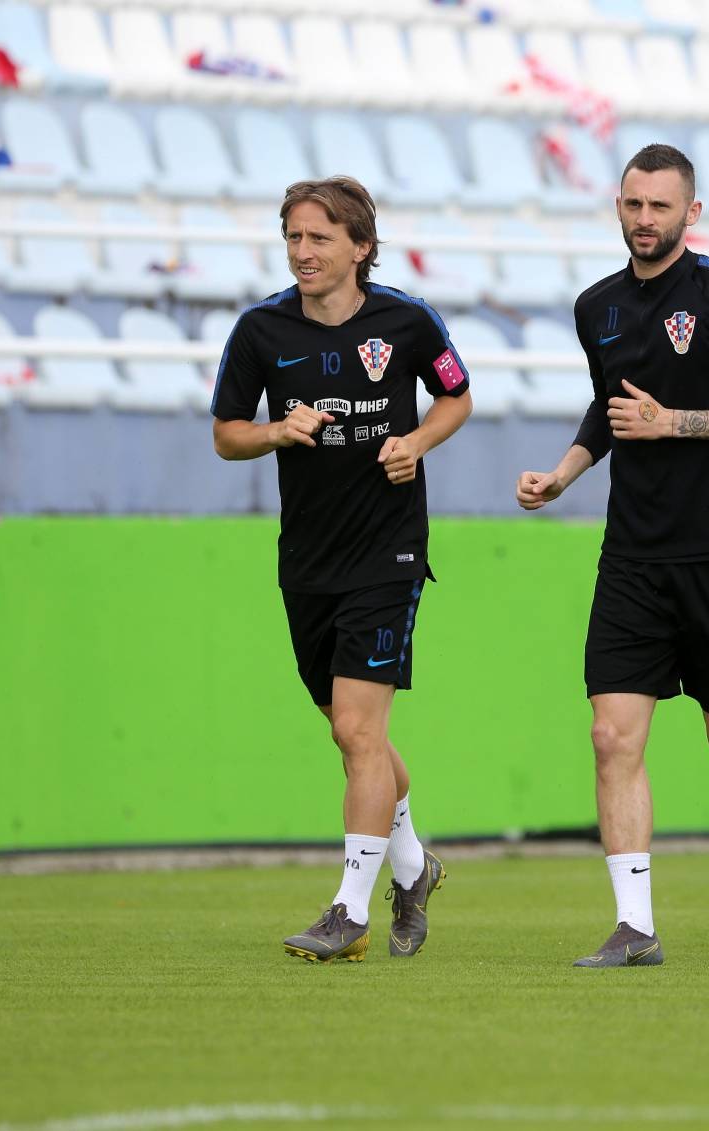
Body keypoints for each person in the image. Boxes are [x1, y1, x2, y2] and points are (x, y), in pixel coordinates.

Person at [516, 144, 709, 967]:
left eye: (661, 206)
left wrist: (675, 422)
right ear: (617, 204)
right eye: (633, 204)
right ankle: (635, 925)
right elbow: (608, 408)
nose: (645, 219)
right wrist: (565, 473)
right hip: (633, 559)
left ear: (692, 212)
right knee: (612, 736)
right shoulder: (597, 306)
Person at [211, 176, 473, 963]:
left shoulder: (407, 321)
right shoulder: (261, 330)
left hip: (389, 553)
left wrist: (415, 443)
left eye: (319, 238)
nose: (302, 252)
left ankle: (348, 911)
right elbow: (226, 433)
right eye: (293, 237)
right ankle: (414, 865)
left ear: (360, 246)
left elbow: (457, 397)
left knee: (360, 729)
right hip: (309, 560)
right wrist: (276, 432)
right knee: (352, 732)